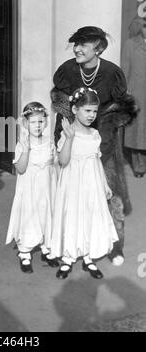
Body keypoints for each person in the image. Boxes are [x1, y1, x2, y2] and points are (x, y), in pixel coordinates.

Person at [51, 26, 137, 267]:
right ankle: (65, 245)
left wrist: (106, 125)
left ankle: (113, 244)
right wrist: (70, 125)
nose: (77, 48)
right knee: (69, 193)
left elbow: (125, 107)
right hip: (71, 140)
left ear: (98, 48)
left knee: (110, 192)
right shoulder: (68, 69)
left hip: (103, 142)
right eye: (75, 44)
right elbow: (58, 99)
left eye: (83, 45)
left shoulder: (112, 73)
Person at [51, 87, 119, 280]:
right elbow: (63, 161)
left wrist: (104, 184)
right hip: (72, 184)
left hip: (92, 183)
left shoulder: (94, 135)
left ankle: (88, 257)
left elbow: (96, 160)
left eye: (95, 111)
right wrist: (70, 138)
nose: (91, 115)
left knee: (90, 217)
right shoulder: (68, 133)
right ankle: (68, 258)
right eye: (87, 110)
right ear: (74, 110)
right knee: (73, 216)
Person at [6, 102, 59, 273]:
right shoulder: (22, 143)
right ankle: (25, 252)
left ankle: (46, 247)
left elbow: (54, 165)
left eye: (41, 121)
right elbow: (20, 169)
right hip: (29, 189)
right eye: (33, 122)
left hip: (46, 189)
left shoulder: (49, 142)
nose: (37, 125)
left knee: (46, 215)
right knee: (30, 216)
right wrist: (27, 149)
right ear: (25, 123)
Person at [122, 16, 146, 177]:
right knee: (138, 130)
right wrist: (127, 92)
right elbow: (124, 70)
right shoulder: (131, 45)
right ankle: (139, 165)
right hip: (139, 93)